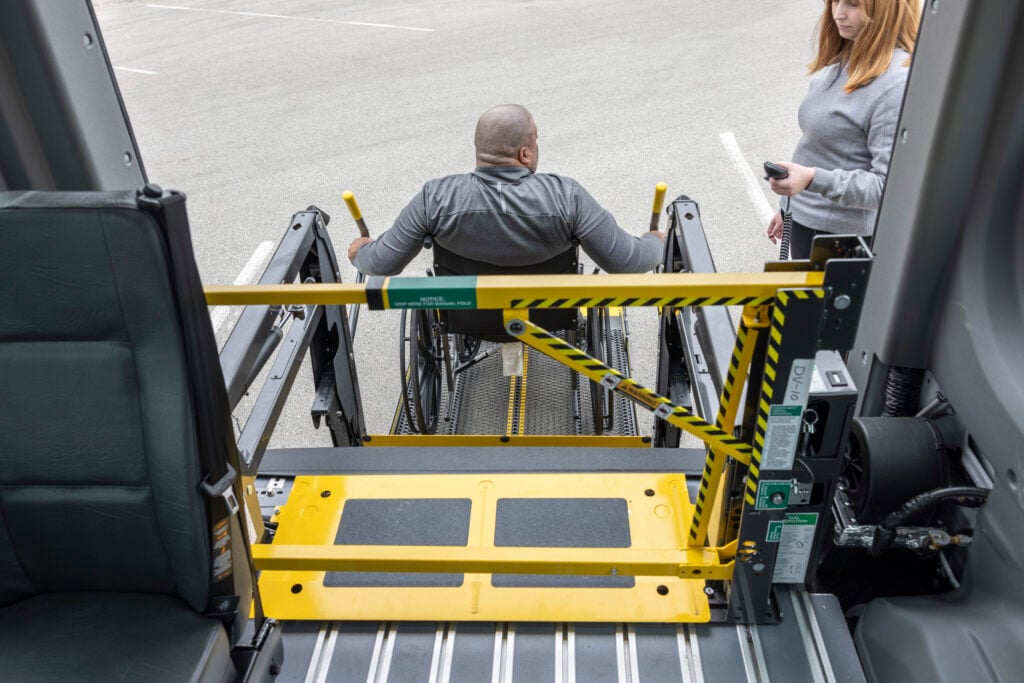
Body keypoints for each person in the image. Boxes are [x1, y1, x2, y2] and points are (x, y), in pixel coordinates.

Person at [348, 104, 664, 276]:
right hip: (548, 315)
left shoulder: (435, 199)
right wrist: (655, 241)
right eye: (536, 140)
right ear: (525, 153)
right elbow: (627, 263)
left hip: (469, 318)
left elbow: (381, 264)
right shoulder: (568, 197)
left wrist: (360, 250)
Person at [767, 0, 920, 258]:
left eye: (853, 4)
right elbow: (815, 146)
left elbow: (887, 187)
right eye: (835, 1)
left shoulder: (895, 85)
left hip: (841, 242)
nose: (838, 14)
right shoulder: (848, 57)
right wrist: (788, 208)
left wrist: (813, 179)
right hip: (806, 222)